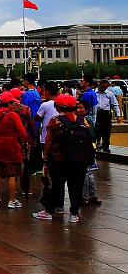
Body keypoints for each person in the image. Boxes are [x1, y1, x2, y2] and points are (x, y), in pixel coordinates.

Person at [34, 94, 95, 222]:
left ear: (57, 107)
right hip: (80, 159)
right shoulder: (82, 121)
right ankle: (74, 214)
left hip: (59, 159)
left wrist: (45, 156)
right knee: (76, 186)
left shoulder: (56, 121)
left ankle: (49, 211)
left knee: (57, 185)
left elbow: (49, 140)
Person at [76, 99, 101, 206]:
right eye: (77, 107)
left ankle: (84, 196)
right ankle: (93, 196)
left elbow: (88, 134)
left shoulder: (86, 120)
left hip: (85, 148)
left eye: (81, 107)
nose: (79, 110)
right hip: (87, 148)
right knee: (88, 173)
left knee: (85, 173)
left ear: (86, 110)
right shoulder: (82, 119)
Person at [94, 77, 123, 153]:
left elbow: (115, 105)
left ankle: (106, 146)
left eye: (105, 87)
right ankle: (95, 145)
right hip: (96, 113)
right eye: (102, 87)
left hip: (105, 114)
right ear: (99, 85)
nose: (104, 89)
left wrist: (118, 115)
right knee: (96, 131)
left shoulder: (109, 94)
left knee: (106, 131)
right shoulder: (94, 93)